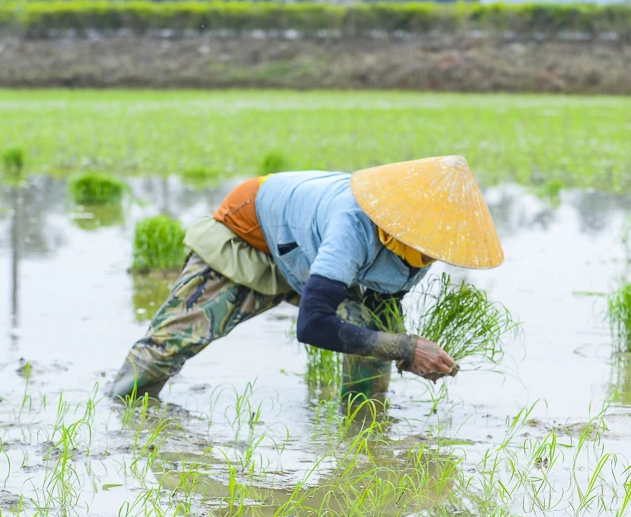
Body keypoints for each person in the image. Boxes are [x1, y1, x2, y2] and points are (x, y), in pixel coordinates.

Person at [108, 155, 504, 399]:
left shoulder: (421, 247)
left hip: (313, 256)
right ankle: (119, 417)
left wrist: (403, 351)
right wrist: (407, 348)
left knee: (375, 327)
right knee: (169, 346)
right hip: (253, 236)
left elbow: (383, 303)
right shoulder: (353, 224)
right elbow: (313, 324)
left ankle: (364, 437)